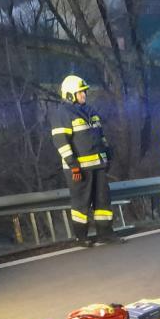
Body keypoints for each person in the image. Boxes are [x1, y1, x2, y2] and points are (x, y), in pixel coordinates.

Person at [51, 75, 116, 245]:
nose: (84, 95)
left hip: (98, 165)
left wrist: (107, 155)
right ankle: (81, 237)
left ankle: (105, 234)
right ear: (70, 94)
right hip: (79, 169)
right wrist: (74, 166)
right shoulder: (62, 114)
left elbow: (100, 136)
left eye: (84, 92)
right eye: (80, 92)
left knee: (103, 201)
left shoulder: (90, 111)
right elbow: (61, 143)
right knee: (81, 203)